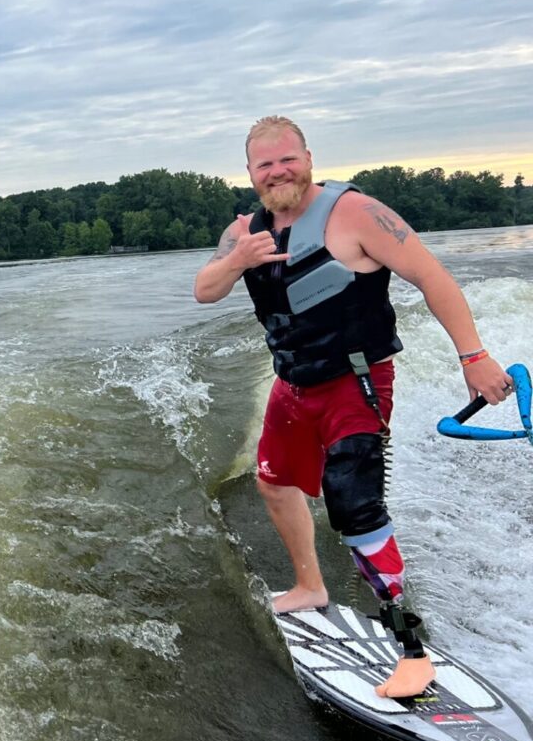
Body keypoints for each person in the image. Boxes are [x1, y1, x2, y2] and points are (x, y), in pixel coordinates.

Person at [193, 116, 513, 698]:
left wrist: (474, 357)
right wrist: (238, 258)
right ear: (249, 173)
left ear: (308, 158)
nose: (277, 171)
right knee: (274, 482)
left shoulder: (358, 214)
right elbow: (205, 289)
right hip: (291, 385)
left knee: (353, 502)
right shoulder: (243, 229)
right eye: (264, 164)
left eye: (287, 159)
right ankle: (310, 586)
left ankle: (412, 651)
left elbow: (434, 278)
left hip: (356, 382)